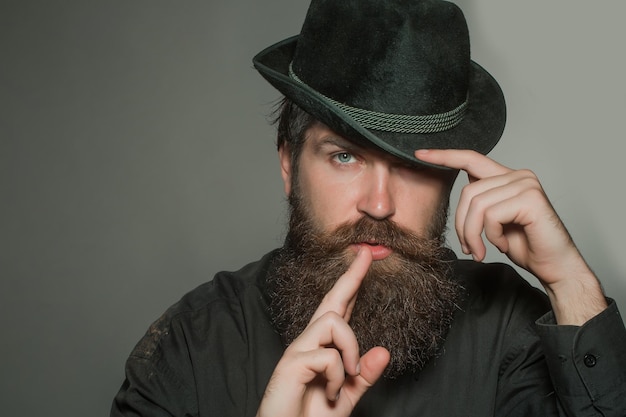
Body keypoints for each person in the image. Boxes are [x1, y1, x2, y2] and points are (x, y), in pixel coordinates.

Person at [111, 0, 626, 416]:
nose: (378, 205)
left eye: (412, 165)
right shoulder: (191, 348)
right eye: (344, 156)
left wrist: (570, 284)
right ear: (289, 164)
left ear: (451, 179)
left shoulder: (510, 329)